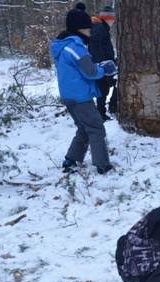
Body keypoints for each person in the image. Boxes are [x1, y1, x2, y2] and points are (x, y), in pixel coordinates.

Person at [50, 2, 117, 175]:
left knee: (84, 129)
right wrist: (105, 69)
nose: (91, 31)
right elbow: (90, 71)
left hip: (69, 95)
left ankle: (71, 161)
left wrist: (97, 66)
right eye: (89, 29)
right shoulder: (76, 46)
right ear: (80, 28)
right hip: (80, 97)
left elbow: (81, 67)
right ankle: (102, 165)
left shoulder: (63, 45)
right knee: (96, 128)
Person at [89, 5, 117, 120]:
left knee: (103, 88)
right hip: (104, 65)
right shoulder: (100, 28)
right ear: (108, 19)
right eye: (112, 19)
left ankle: (101, 113)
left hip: (100, 65)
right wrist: (104, 62)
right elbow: (94, 44)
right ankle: (113, 107)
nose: (113, 22)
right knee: (118, 83)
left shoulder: (100, 27)